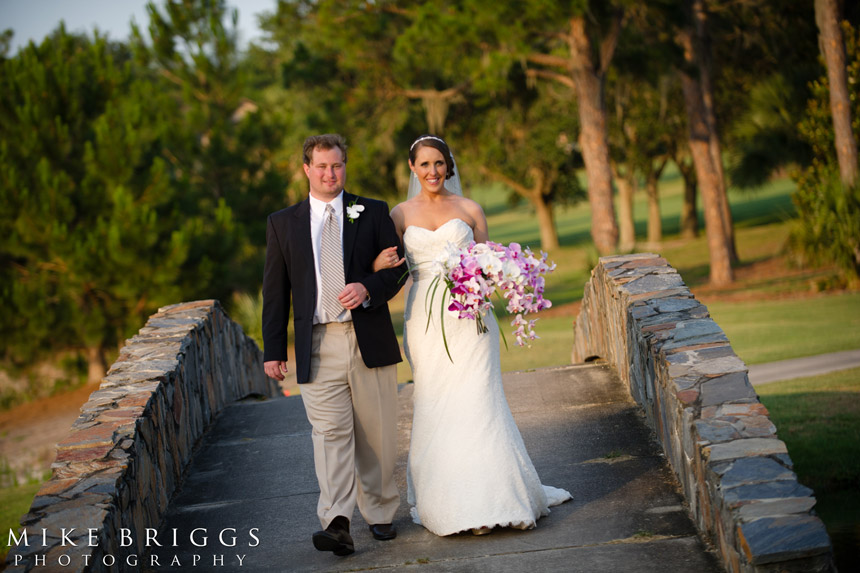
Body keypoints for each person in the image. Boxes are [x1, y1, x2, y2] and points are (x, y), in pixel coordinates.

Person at [373, 134, 572, 536]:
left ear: (449, 166)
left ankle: (497, 497)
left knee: (480, 399)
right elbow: (392, 269)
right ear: (412, 167)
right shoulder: (398, 214)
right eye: (424, 164)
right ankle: (450, 501)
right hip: (426, 321)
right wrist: (378, 263)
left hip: (471, 318)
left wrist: (500, 275)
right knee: (436, 401)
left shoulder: (470, 209)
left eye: (439, 163)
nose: (432, 171)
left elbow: (489, 261)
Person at [262, 134, 405, 556]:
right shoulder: (282, 223)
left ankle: (379, 513)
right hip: (317, 343)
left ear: (346, 166)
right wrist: (273, 350)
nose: (330, 174)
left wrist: (368, 286)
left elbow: (399, 270)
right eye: (322, 167)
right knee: (329, 434)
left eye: (337, 166)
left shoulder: (373, 211)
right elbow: (275, 292)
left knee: (376, 432)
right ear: (306, 169)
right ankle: (337, 522)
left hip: (367, 339)